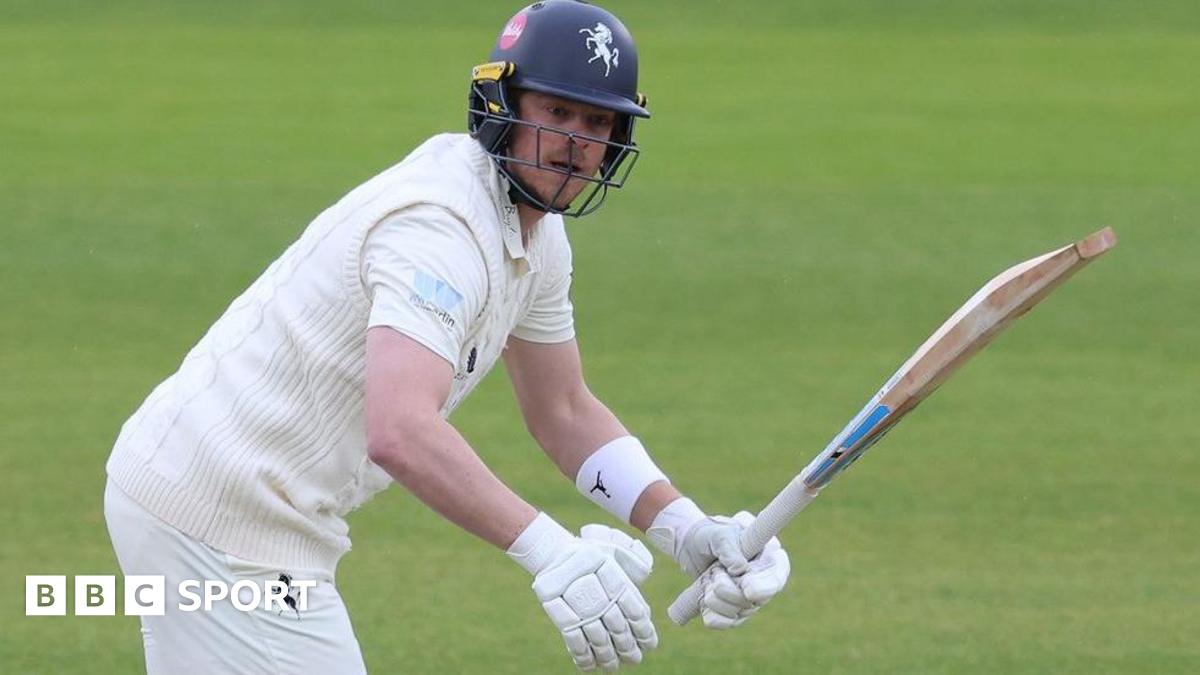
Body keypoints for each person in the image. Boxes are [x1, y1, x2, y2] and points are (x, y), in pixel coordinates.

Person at [103, 1, 792, 672]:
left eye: (598, 121)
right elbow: (400, 430)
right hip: (223, 521)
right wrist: (551, 551)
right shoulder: (440, 228)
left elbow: (564, 409)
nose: (577, 142)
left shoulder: (536, 235)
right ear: (505, 105)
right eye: (557, 112)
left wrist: (686, 527)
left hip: (218, 503)